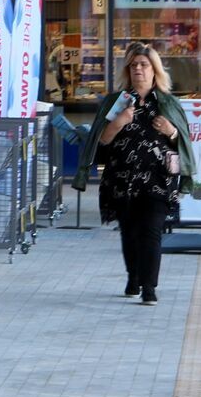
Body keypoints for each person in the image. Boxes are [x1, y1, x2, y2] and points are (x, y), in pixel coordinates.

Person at [72, 43, 194, 306]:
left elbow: (183, 141)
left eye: (144, 65)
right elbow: (102, 141)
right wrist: (118, 122)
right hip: (122, 179)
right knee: (129, 232)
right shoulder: (116, 102)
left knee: (151, 231)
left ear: (154, 70)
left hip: (158, 180)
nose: (138, 69)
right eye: (133, 65)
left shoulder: (167, 102)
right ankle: (133, 276)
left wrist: (171, 131)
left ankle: (149, 287)